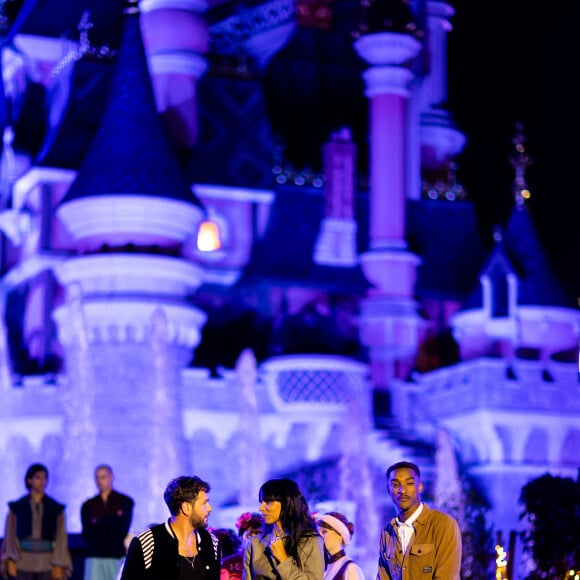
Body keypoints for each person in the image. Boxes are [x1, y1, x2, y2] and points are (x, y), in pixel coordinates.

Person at [119, 475, 221, 580]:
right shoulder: (147, 542)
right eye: (204, 503)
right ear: (186, 508)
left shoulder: (211, 542)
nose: (210, 508)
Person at [376, 461, 461, 580]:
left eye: (409, 483)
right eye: (395, 485)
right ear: (388, 489)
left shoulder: (443, 524)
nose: (402, 490)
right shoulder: (387, 533)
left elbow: (446, 577)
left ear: (419, 487)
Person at [0, 463, 73, 580]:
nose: (42, 481)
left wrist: (59, 563)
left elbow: (61, 538)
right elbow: (9, 535)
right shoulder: (17, 508)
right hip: (22, 563)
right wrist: (10, 559)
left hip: (47, 564)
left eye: (45, 478)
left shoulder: (55, 509)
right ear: (29, 480)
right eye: (38, 477)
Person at [242, 478, 324, 580]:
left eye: (268, 502)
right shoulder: (254, 544)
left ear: (287, 503)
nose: (261, 508)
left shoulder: (311, 541)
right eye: (261, 502)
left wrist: (284, 559)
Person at [81, 464, 135, 580]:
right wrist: (113, 519)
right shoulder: (88, 505)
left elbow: (123, 530)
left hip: (116, 556)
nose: (99, 481)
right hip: (94, 557)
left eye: (103, 477)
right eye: (97, 477)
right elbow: (86, 533)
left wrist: (99, 522)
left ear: (112, 477)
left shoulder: (125, 501)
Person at [316, 512, 364, 580]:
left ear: (340, 535)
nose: (319, 537)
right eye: (318, 533)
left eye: (324, 532)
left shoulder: (351, 568)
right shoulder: (323, 568)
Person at [220, 513, 263, 580]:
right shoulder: (228, 563)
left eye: (257, 533)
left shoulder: (272, 559)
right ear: (241, 538)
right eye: (249, 535)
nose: (253, 538)